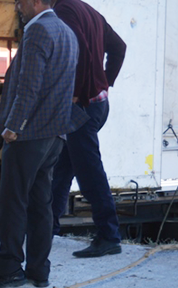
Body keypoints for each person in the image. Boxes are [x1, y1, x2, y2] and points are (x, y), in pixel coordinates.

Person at [0, 0, 84, 288]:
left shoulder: (38, 31)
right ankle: (38, 270)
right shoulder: (66, 32)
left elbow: (29, 86)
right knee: (41, 204)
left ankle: (9, 268)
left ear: (37, 2)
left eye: (21, 2)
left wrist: (13, 127)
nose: (18, 7)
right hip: (54, 135)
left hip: (29, 135)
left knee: (11, 203)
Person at [50, 0, 127, 258]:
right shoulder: (89, 11)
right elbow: (119, 48)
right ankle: (47, 227)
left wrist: (77, 92)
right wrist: (106, 81)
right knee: (63, 165)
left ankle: (109, 236)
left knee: (88, 172)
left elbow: (79, 48)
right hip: (99, 104)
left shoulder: (63, 11)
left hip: (83, 106)